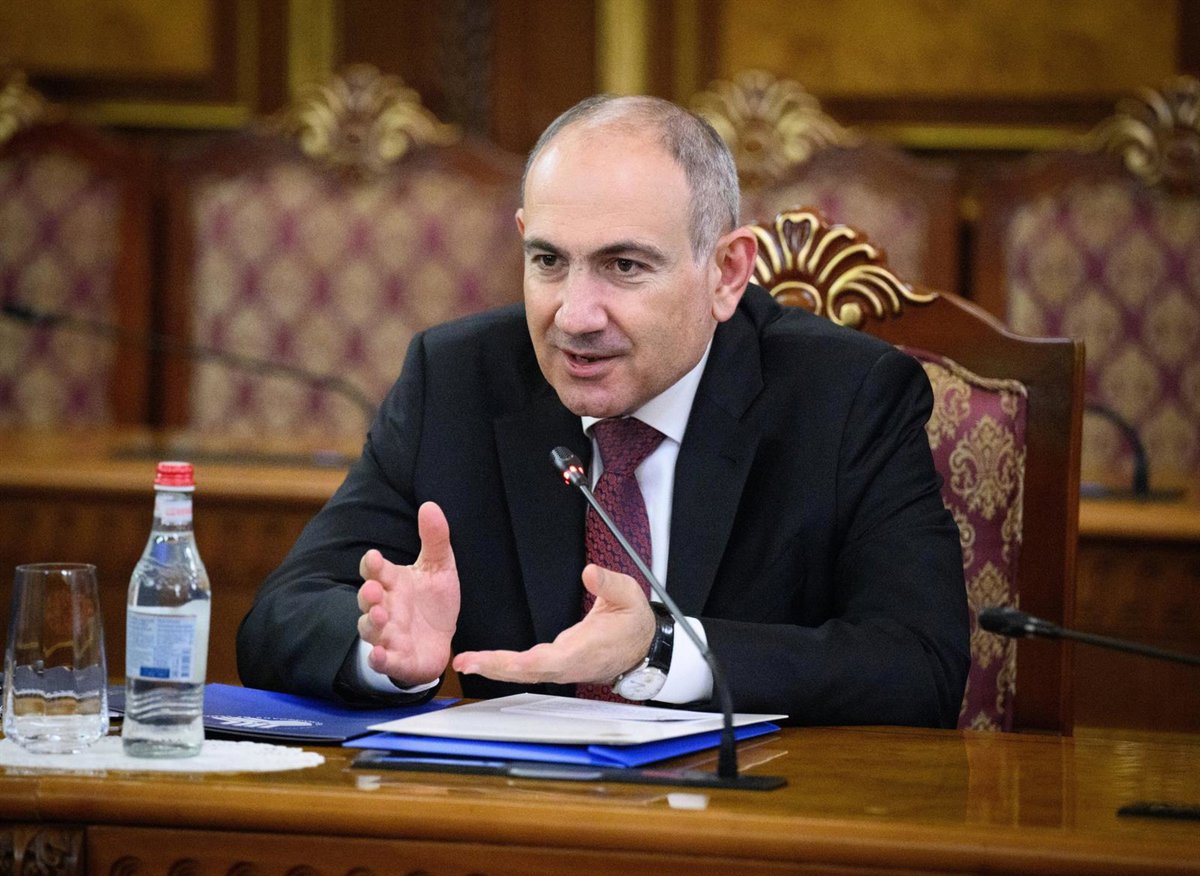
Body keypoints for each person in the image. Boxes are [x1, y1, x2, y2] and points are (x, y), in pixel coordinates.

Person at [236, 94, 969, 726]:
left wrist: (664, 652)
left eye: (624, 266)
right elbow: (279, 616)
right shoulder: (455, 382)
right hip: (515, 821)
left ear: (726, 272)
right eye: (549, 261)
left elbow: (919, 665)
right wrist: (383, 647)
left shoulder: (847, 397)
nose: (575, 316)